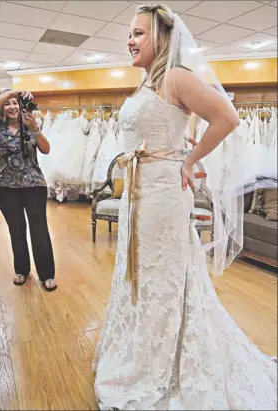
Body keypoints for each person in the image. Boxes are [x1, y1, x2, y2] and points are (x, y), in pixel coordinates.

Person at [93, 4, 277, 410]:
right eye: (130, 33)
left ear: (161, 38)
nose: (130, 40)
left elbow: (227, 118)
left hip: (161, 197)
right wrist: (179, 147)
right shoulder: (147, 83)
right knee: (138, 273)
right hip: (138, 195)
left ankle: (160, 363)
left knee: (164, 278)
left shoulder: (176, 76)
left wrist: (190, 161)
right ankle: (138, 350)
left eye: (139, 33)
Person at [0, 89, 57, 291]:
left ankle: (47, 274)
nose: (12, 106)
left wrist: (34, 128)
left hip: (34, 185)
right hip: (5, 188)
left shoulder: (30, 123)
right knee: (16, 230)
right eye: (7, 103)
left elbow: (46, 149)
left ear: (21, 105)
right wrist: (11, 92)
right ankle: (22, 270)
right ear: (1, 107)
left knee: (39, 230)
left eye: (15, 102)